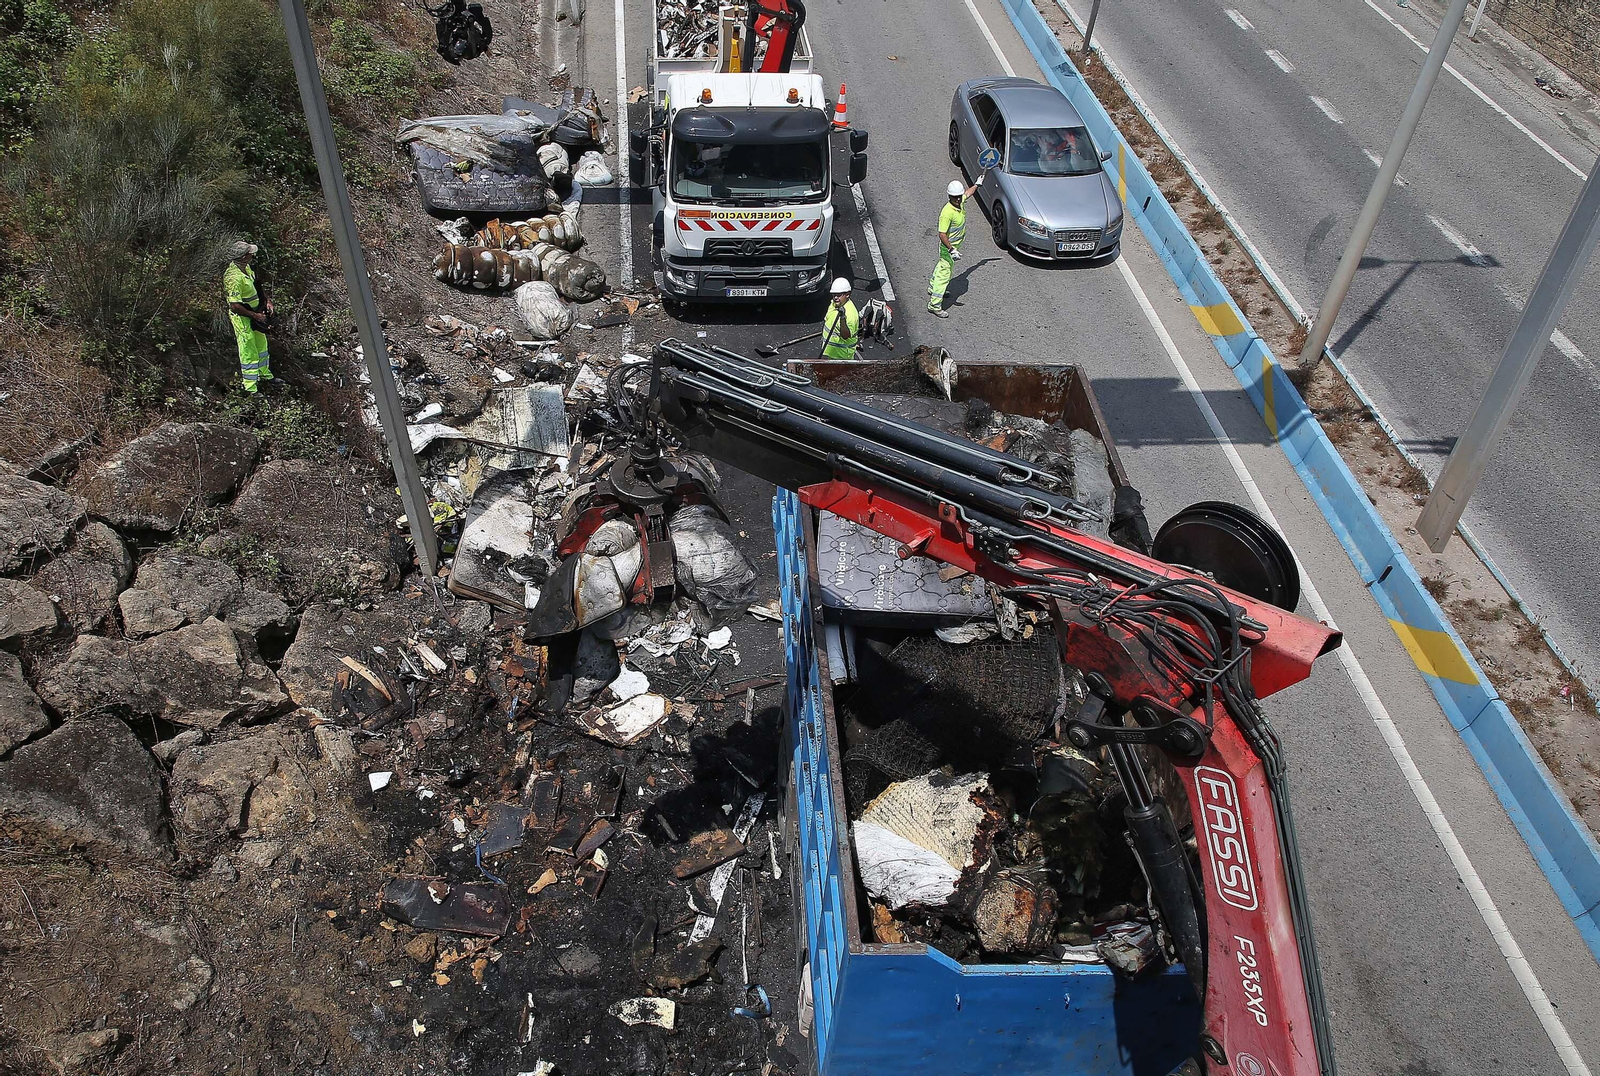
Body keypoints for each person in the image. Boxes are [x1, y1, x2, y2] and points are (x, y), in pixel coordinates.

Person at [224, 241, 273, 393]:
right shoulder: (233, 277)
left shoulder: (246, 268)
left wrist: (267, 301)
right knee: (248, 349)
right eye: (250, 253)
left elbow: (256, 286)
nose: (253, 255)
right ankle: (250, 388)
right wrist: (255, 316)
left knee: (261, 344)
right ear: (244, 256)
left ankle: (265, 375)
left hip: (256, 313)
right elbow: (235, 306)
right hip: (243, 318)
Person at [928, 179, 978, 318]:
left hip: (952, 247)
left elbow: (968, 193)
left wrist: (977, 184)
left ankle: (932, 287)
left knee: (942, 266)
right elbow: (942, 234)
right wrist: (951, 249)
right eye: (955, 197)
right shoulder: (947, 212)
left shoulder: (960, 201)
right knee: (945, 275)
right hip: (948, 248)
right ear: (949, 196)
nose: (958, 199)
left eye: (958, 196)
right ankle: (934, 305)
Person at [820, 277, 860, 361]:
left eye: (838, 295)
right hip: (832, 352)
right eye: (834, 295)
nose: (835, 298)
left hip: (843, 356)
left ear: (847, 294)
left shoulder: (851, 314)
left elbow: (846, 335)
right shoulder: (834, 304)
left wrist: (842, 318)